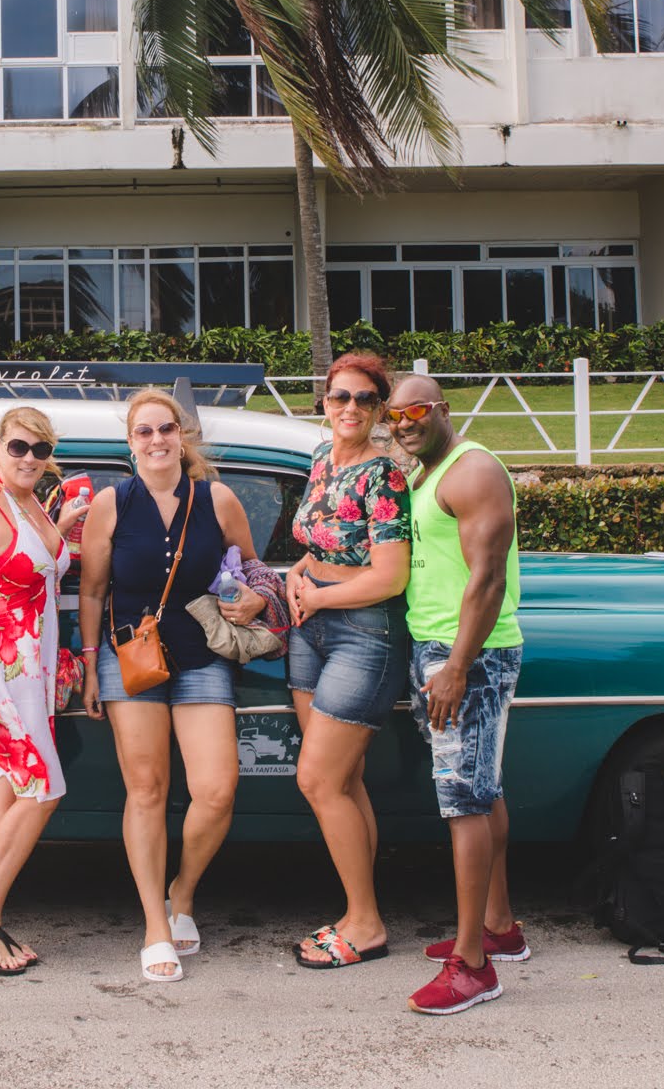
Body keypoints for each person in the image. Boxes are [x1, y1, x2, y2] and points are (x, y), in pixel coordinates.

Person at [78, 387, 264, 983]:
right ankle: (155, 928)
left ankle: (181, 894)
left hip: (203, 655)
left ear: (182, 436)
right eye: (144, 432)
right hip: (129, 658)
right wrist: (87, 660)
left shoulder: (218, 499)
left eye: (166, 429)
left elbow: (252, 568)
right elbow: (91, 590)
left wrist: (257, 596)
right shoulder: (113, 503)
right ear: (129, 443)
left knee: (216, 790)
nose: (157, 440)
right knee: (148, 789)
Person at [387, 373, 530, 1017]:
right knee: (483, 786)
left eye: (416, 409)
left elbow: (488, 579)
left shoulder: (472, 472)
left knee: (463, 801)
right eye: (394, 414)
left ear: (443, 409)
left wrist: (457, 667)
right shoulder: (429, 471)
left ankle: (473, 964)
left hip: (467, 653)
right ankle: (499, 925)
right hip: (438, 646)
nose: (403, 421)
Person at [0, 406, 93, 975]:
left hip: (30, 679)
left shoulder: (32, 504)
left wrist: (70, 519)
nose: (29, 458)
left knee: (8, 795)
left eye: (40, 450)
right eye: (19, 448)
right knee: (43, 790)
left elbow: (45, 563)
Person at [281, 351, 411, 970]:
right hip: (313, 629)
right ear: (325, 402)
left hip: (365, 634)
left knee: (318, 779)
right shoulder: (321, 459)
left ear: (380, 408)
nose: (351, 409)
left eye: (364, 399)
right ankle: (359, 909)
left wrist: (322, 592)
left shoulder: (384, 476)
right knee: (344, 779)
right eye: (341, 397)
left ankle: (366, 923)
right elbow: (313, 540)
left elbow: (389, 577)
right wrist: (294, 576)